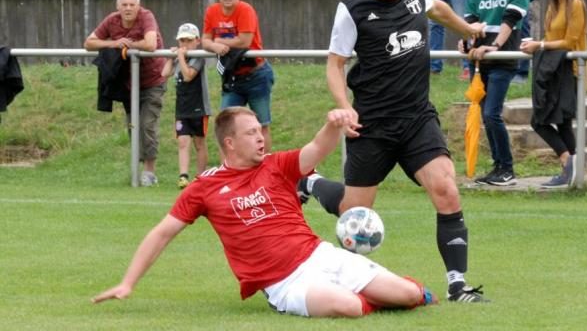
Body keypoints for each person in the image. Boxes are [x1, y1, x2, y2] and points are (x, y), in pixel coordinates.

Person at [92, 107, 437, 317]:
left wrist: (333, 124)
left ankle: (390, 293)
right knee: (346, 308)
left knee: (409, 295)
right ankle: (359, 296)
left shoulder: (278, 165)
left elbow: (317, 149)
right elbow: (162, 233)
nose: (261, 138)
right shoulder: (205, 187)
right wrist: (127, 283)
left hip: (319, 255)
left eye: (261, 131)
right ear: (230, 143)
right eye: (252, 133)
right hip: (283, 282)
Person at [308, 0, 488, 303]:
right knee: (353, 213)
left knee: (446, 190)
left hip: (416, 119)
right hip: (371, 125)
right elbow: (335, 63)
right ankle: (310, 183)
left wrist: (468, 31)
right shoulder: (353, 9)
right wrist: (345, 106)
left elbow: (437, 9)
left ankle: (458, 285)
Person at [458, 0, 530, 186]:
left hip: (503, 57)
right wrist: (467, 42)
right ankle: (498, 167)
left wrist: (495, 46)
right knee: (484, 113)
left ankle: (507, 168)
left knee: (491, 113)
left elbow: (510, 21)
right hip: (480, 61)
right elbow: (471, 22)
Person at [84, 0, 167, 186]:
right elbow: (88, 43)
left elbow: (150, 44)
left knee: (147, 125)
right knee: (133, 126)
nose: (128, 8)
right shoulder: (112, 20)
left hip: (153, 79)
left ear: (138, 6)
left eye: (132, 5)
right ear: (118, 7)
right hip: (128, 83)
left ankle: (149, 172)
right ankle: (134, 170)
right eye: (124, 5)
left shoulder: (146, 17)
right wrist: (114, 43)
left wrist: (127, 46)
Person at [520, 0, 587, 189]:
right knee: (549, 121)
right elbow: (551, 40)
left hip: (571, 71)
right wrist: (538, 43)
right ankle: (571, 167)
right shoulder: (552, 6)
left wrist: (539, 45)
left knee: (558, 121)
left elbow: (570, 41)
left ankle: (570, 166)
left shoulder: (576, 5)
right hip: (554, 69)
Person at [202, 0, 274, 150]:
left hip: (256, 75)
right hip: (232, 77)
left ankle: (265, 169)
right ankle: (229, 172)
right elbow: (204, 40)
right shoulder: (212, 11)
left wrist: (218, 42)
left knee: (261, 125)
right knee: (225, 126)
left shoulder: (245, 10)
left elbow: (244, 41)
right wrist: (213, 44)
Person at [161, 23, 212, 189]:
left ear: (197, 41)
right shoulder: (179, 56)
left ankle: (201, 177)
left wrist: (181, 58)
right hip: (182, 109)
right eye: (182, 40)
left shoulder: (199, 57)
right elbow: (164, 73)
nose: (184, 44)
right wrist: (171, 58)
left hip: (199, 108)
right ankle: (183, 176)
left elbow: (189, 75)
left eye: (189, 40)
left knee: (199, 143)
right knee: (183, 142)